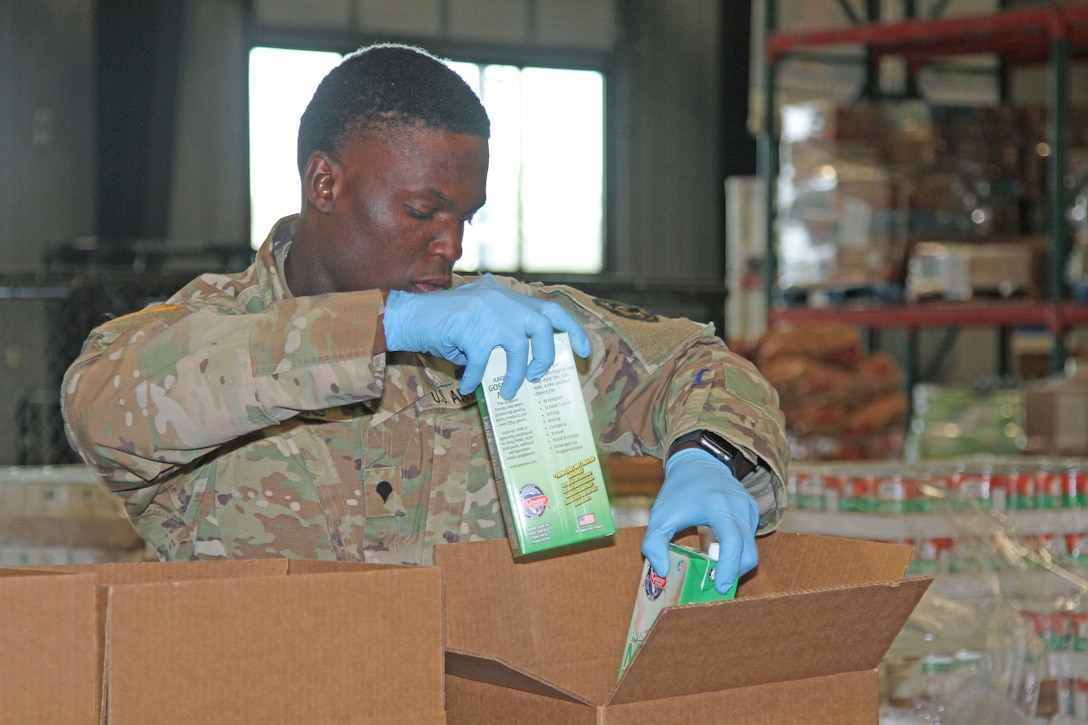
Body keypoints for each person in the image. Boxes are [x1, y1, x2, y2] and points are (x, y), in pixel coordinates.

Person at [61, 43, 788, 594]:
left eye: (465, 217)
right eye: (422, 211)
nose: (452, 245)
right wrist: (389, 324)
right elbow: (101, 406)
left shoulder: (496, 330)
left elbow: (693, 364)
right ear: (325, 182)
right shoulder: (208, 336)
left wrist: (710, 456)